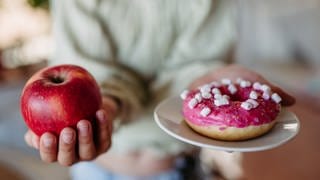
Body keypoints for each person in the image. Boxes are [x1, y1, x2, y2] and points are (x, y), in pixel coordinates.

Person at [24, 0, 296, 179]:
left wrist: (211, 78)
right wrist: (105, 105)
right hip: (94, 171)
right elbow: (91, 78)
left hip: (175, 169)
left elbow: (195, 67)